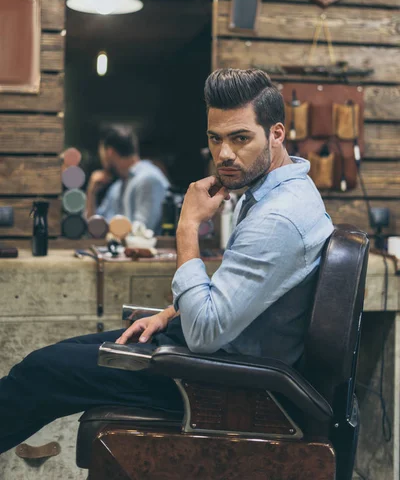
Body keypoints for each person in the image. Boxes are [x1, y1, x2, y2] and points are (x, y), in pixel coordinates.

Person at [0, 68, 333, 454]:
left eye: (240, 138)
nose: (224, 154)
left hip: (226, 384)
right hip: (215, 356)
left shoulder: (279, 218)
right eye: (215, 138)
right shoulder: (278, 192)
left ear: (276, 134)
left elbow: (206, 333)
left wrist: (187, 225)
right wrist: (173, 313)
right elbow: (243, 297)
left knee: (43, 372)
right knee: (48, 360)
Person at [86, 125, 169, 233]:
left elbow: (141, 232)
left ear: (109, 152)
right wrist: (91, 193)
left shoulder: (148, 180)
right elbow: (95, 230)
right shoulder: (117, 186)